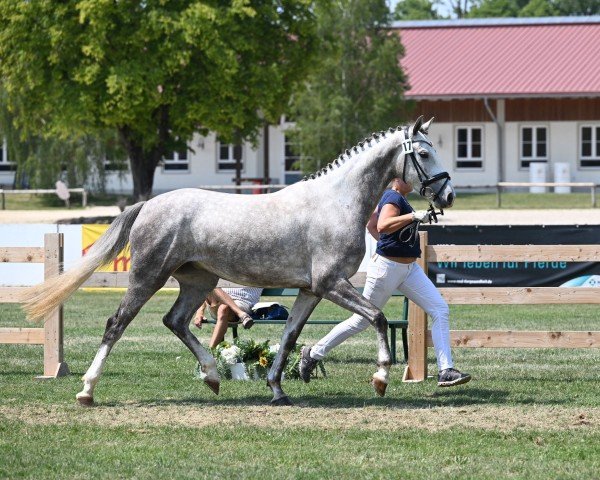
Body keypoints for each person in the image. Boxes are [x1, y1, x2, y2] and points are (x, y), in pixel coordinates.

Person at [299, 178, 471, 387]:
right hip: (387, 269)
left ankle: (446, 370)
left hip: (409, 270)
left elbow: (371, 224)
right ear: (397, 181)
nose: (413, 182)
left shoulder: (396, 198)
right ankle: (313, 353)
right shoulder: (392, 196)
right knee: (360, 321)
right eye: (408, 179)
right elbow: (382, 225)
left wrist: (390, 240)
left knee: (440, 309)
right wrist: (413, 216)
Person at [194, 287, 263, 348]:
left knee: (223, 308)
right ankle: (242, 315)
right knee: (210, 282)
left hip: (242, 301)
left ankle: (210, 352)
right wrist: (200, 312)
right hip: (219, 298)